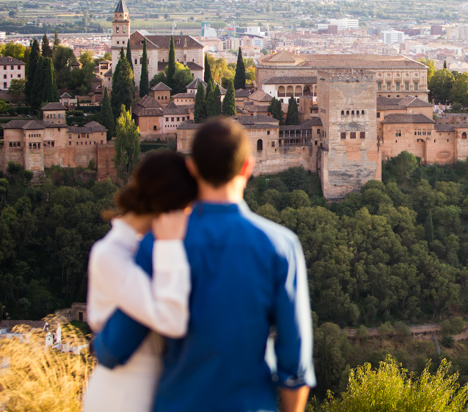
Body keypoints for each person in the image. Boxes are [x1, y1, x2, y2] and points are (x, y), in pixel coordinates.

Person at [92, 119, 315, 412]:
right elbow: (295, 362)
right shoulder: (281, 246)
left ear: (193, 169)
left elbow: (115, 347)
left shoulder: (160, 242)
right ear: (247, 167)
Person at [82, 150, 198, 412]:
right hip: (122, 397)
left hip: (161, 393)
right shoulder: (109, 254)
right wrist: (170, 244)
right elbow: (171, 319)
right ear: (173, 205)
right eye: (188, 207)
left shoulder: (153, 249)